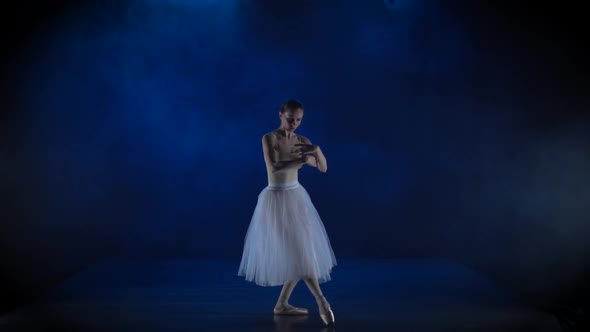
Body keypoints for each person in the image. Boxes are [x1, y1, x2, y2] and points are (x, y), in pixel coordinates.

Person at [237, 99, 337, 326]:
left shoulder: (302, 141)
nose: (294, 123)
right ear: (280, 115)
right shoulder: (269, 138)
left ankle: (282, 304)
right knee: (298, 251)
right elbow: (273, 167)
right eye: (290, 118)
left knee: (300, 251)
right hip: (275, 199)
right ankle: (321, 300)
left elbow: (322, 168)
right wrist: (300, 160)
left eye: (299, 120)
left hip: (296, 197)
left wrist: (317, 151)